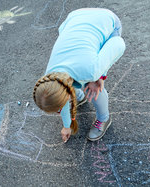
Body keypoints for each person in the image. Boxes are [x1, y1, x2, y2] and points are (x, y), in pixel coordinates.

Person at [33, 8, 126, 143]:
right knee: (77, 80)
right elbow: (61, 95)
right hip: (75, 18)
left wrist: (100, 76)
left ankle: (104, 118)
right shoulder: (49, 78)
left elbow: (118, 43)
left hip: (107, 21)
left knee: (92, 88)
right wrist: (66, 126)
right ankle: (79, 97)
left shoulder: (90, 70)